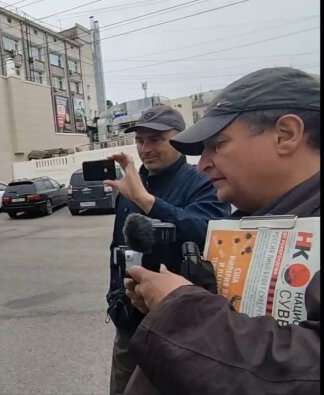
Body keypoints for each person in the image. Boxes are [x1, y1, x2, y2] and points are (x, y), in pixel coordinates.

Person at [124, 67, 320, 394]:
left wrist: (182, 310)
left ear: (286, 134)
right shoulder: (254, 220)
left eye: (217, 145)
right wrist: (179, 299)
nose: (202, 164)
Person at [103, 105, 232, 395]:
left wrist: (147, 201)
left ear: (180, 138)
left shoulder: (201, 181)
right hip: (129, 318)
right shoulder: (132, 183)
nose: (145, 148)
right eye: (140, 140)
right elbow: (118, 245)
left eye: (156, 139)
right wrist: (114, 296)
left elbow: (208, 231)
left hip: (179, 321)